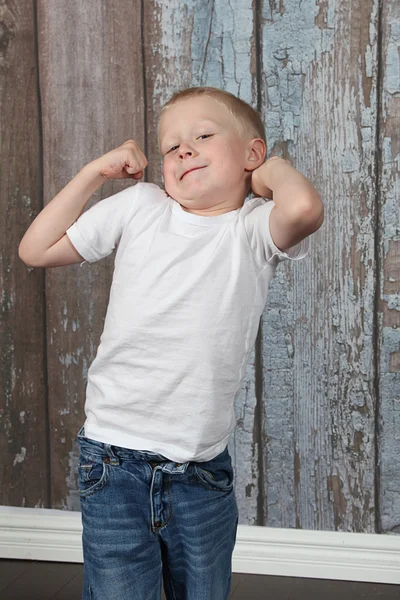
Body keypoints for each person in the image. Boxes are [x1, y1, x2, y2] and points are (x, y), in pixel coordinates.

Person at [18, 86, 324, 600]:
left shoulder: (251, 231)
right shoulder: (142, 206)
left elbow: (303, 207)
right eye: (170, 147)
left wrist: (265, 171)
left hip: (198, 470)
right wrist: (95, 173)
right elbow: (36, 249)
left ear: (251, 153)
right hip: (111, 460)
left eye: (203, 136)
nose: (183, 150)